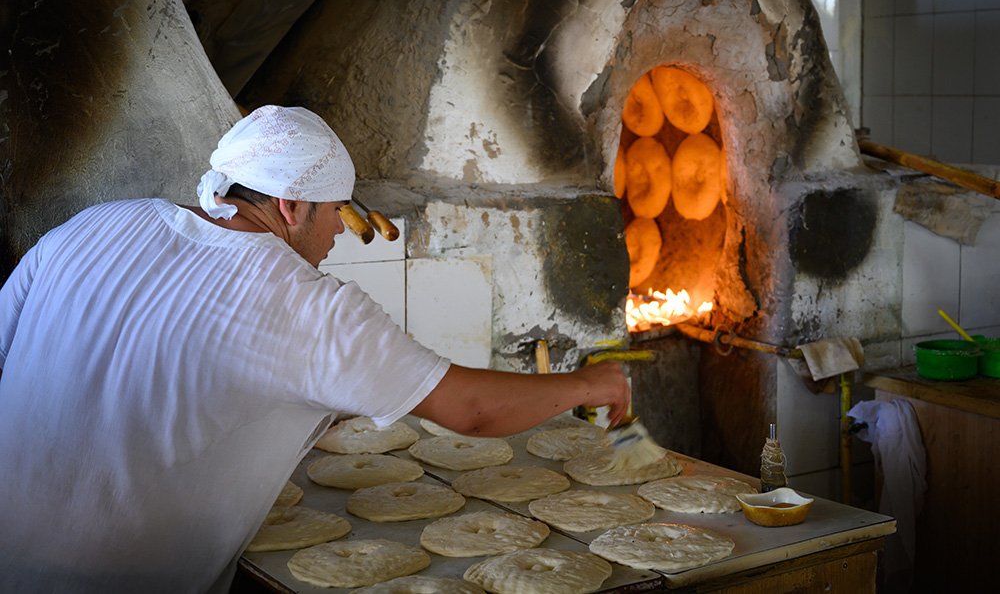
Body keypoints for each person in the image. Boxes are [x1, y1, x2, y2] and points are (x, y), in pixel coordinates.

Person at [0, 105, 630, 593]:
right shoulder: (305, 305)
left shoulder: (97, 224)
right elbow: (471, 410)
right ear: (290, 204)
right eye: (336, 210)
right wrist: (591, 385)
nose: (341, 231)